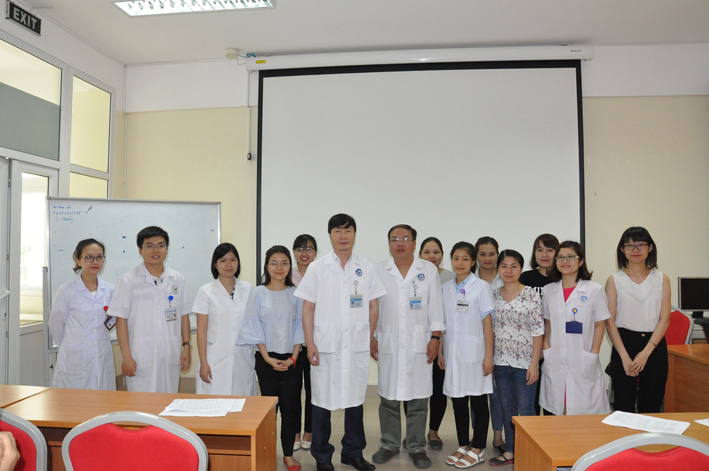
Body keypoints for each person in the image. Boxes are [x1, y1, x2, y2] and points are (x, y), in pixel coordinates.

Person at [295, 213, 386, 471]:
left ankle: (352, 453)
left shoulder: (366, 266)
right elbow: (308, 308)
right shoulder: (318, 267)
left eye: (348, 231)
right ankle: (322, 456)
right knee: (322, 402)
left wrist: (369, 336)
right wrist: (310, 342)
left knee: (355, 400)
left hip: (356, 344)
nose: (343, 236)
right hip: (325, 345)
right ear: (330, 235)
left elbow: (373, 305)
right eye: (337, 231)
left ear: (354, 234)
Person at [371, 225, 444, 469]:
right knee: (388, 399)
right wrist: (371, 336)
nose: (400, 243)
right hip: (388, 341)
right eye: (394, 239)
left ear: (414, 243)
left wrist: (435, 338)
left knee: (419, 400)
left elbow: (436, 307)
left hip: (419, 342)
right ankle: (389, 444)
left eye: (405, 238)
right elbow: (372, 307)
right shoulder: (378, 270)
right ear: (389, 244)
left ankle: (416, 446)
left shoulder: (428, 270)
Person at [239, 245, 304, 471]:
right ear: (266, 266)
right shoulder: (257, 293)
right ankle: (265, 453)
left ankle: (288, 455)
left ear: (290, 266)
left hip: (292, 358)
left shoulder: (296, 293)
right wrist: (266, 357)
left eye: (284, 263)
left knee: (290, 408)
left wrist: (293, 358)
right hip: (266, 358)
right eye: (274, 263)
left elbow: (300, 326)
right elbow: (253, 324)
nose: (279, 267)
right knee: (268, 410)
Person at [110, 226, 193, 393]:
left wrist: (186, 347)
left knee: (169, 399)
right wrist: (126, 356)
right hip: (140, 356)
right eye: (149, 246)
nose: (156, 250)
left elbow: (184, 315)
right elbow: (121, 320)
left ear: (167, 249)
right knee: (141, 403)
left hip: (170, 353)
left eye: (161, 245)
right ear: (140, 250)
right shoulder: (127, 280)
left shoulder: (177, 279)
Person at [539, 241, 610, 416]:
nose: (565, 261)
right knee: (556, 408)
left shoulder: (594, 290)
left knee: (583, 412)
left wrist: (594, 352)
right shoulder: (548, 290)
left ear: (580, 261)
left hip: (583, 356)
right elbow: (547, 321)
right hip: (555, 356)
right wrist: (546, 345)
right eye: (560, 257)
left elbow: (600, 323)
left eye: (570, 257)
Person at [604, 227, 671, 413]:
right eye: (630, 245)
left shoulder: (662, 279)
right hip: (623, 344)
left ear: (650, 247)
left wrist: (646, 353)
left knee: (652, 405)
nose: (635, 250)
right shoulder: (614, 280)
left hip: (654, 344)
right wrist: (625, 357)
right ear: (622, 249)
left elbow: (665, 319)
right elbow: (609, 321)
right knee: (623, 406)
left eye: (641, 244)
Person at [440, 242, 494, 469]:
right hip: (452, 353)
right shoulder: (445, 288)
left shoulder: (481, 287)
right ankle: (463, 445)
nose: (459, 263)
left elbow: (488, 325)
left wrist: (489, 356)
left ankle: (478, 448)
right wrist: (441, 351)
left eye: (465, 259)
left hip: (476, 353)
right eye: (456, 258)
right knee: (458, 402)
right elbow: (443, 324)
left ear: (473, 262)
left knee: (479, 402)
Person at [489, 250, 544, 467]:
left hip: (525, 364)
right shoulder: (493, 295)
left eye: (514, 266)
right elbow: (490, 330)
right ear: (498, 269)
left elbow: (538, 331)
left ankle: (529, 451)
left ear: (521, 269)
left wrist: (534, 364)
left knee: (526, 409)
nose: (509, 270)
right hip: (501, 362)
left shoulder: (531, 294)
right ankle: (511, 450)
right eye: (504, 266)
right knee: (507, 408)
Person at [49, 238, 116, 390]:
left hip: (102, 356)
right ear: (77, 259)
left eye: (99, 257)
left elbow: (112, 320)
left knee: (103, 400)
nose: (95, 261)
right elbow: (55, 325)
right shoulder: (66, 291)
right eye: (89, 257)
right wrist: (70, 346)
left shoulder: (110, 290)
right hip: (74, 360)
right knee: (74, 402)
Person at [193, 243, 256, 396]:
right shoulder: (206, 291)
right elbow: (201, 330)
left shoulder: (248, 289)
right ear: (215, 264)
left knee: (242, 401)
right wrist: (203, 362)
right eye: (223, 260)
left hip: (242, 356)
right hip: (214, 357)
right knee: (214, 402)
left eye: (233, 260)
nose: (228, 264)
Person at [418, 236, 454, 450]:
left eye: (436, 252)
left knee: (438, 389)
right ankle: (414, 432)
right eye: (427, 252)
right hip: (417, 341)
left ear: (442, 255)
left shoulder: (450, 277)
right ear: (419, 254)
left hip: (442, 343)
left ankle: (433, 432)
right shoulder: (414, 274)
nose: (432, 256)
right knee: (415, 390)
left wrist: (439, 342)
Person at [519, 233, 559, 415]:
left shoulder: (562, 278)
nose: (544, 254)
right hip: (529, 347)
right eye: (539, 250)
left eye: (550, 250)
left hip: (555, 345)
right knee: (530, 399)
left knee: (553, 398)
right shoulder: (525, 278)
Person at [473, 236, 504, 454]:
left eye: (492, 254)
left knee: (498, 393)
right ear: (476, 256)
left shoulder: (506, 277)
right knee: (476, 393)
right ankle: (478, 435)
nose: (487, 258)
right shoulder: (469, 280)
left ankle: (498, 436)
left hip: (501, 343)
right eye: (482, 254)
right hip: (475, 344)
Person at [292, 234, 317, 451]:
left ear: (315, 252)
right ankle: (294, 432)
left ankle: (309, 431)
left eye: (309, 248)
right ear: (294, 252)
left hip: (314, 341)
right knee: (292, 390)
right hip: (291, 343)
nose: (304, 253)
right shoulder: (286, 275)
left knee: (312, 389)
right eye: (300, 248)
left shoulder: (321, 274)